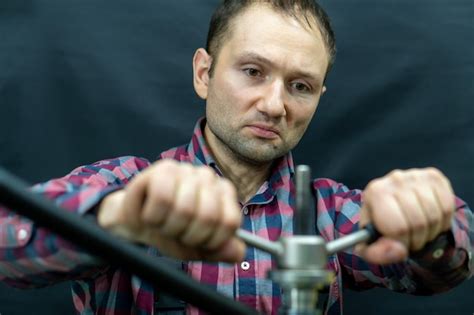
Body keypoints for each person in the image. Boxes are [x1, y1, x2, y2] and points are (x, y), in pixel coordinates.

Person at [0, 0, 472, 314]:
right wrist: (118, 220)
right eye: (252, 71)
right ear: (204, 73)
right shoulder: (125, 184)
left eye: (300, 86)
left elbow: (448, 259)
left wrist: (429, 223)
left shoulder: (332, 215)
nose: (273, 104)